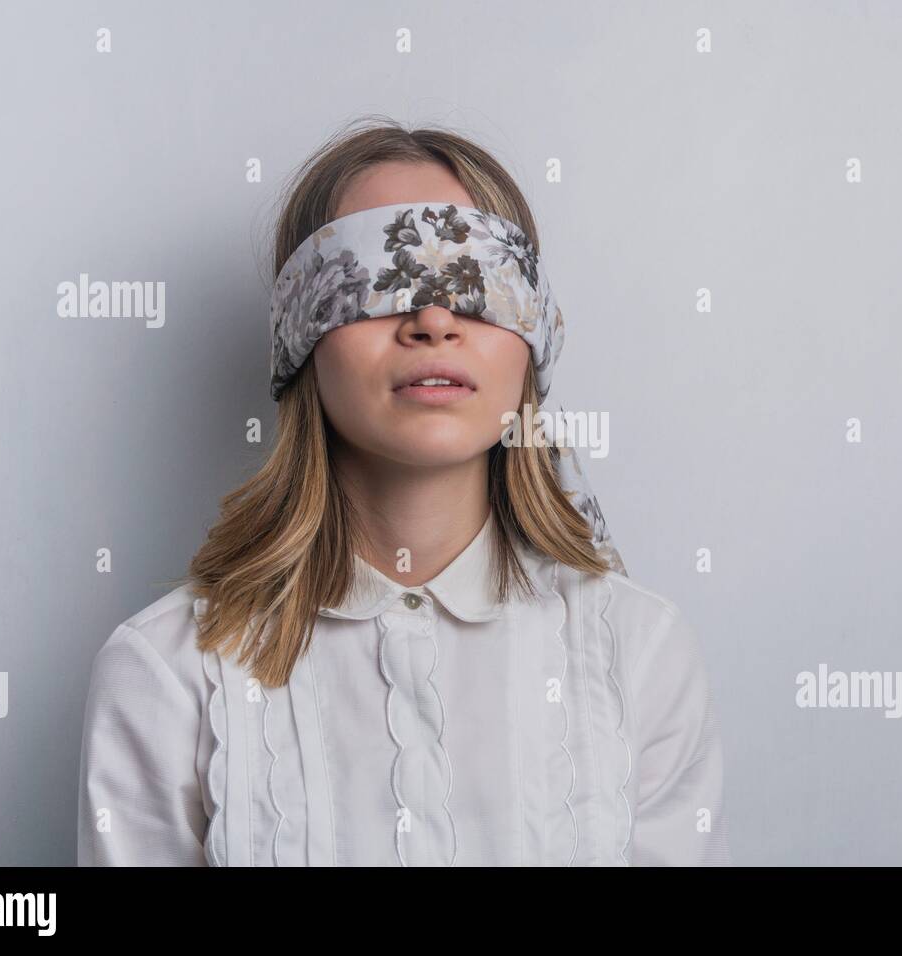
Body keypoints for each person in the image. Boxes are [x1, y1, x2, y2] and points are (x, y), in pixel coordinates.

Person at [76, 117, 729, 866]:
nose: (434, 319)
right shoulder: (167, 673)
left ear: (534, 335)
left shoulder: (641, 655)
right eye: (382, 280)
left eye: (478, 284)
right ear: (301, 332)